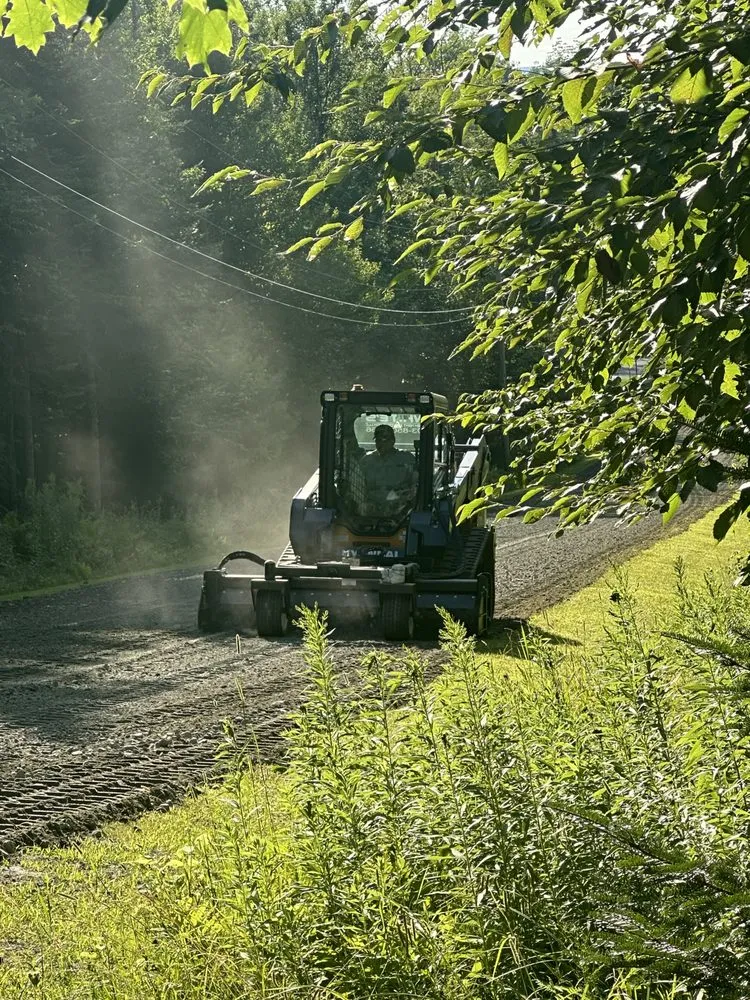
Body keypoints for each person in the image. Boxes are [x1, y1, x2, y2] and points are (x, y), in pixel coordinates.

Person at [359, 424, 417, 513]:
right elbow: (359, 486)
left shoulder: (406, 458)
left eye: (384, 440)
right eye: (377, 440)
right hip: (371, 507)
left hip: (400, 507)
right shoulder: (367, 460)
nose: (380, 444)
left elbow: (415, 483)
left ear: (393, 441)